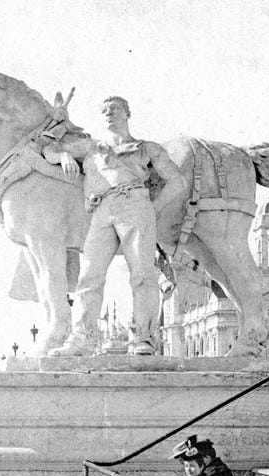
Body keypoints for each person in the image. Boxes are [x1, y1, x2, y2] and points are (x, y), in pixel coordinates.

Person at [43, 96, 187, 355]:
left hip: (135, 204)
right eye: (104, 111)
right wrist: (63, 155)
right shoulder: (91, 147)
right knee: (89, 275)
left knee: (142, 273)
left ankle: (143, 336)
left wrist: (152, 209)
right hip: (101, 209)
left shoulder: (146, 148)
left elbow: (176, 181)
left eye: (115, 109)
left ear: (127, 113)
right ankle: (81, 338)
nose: (109, 114)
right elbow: (48, 150)